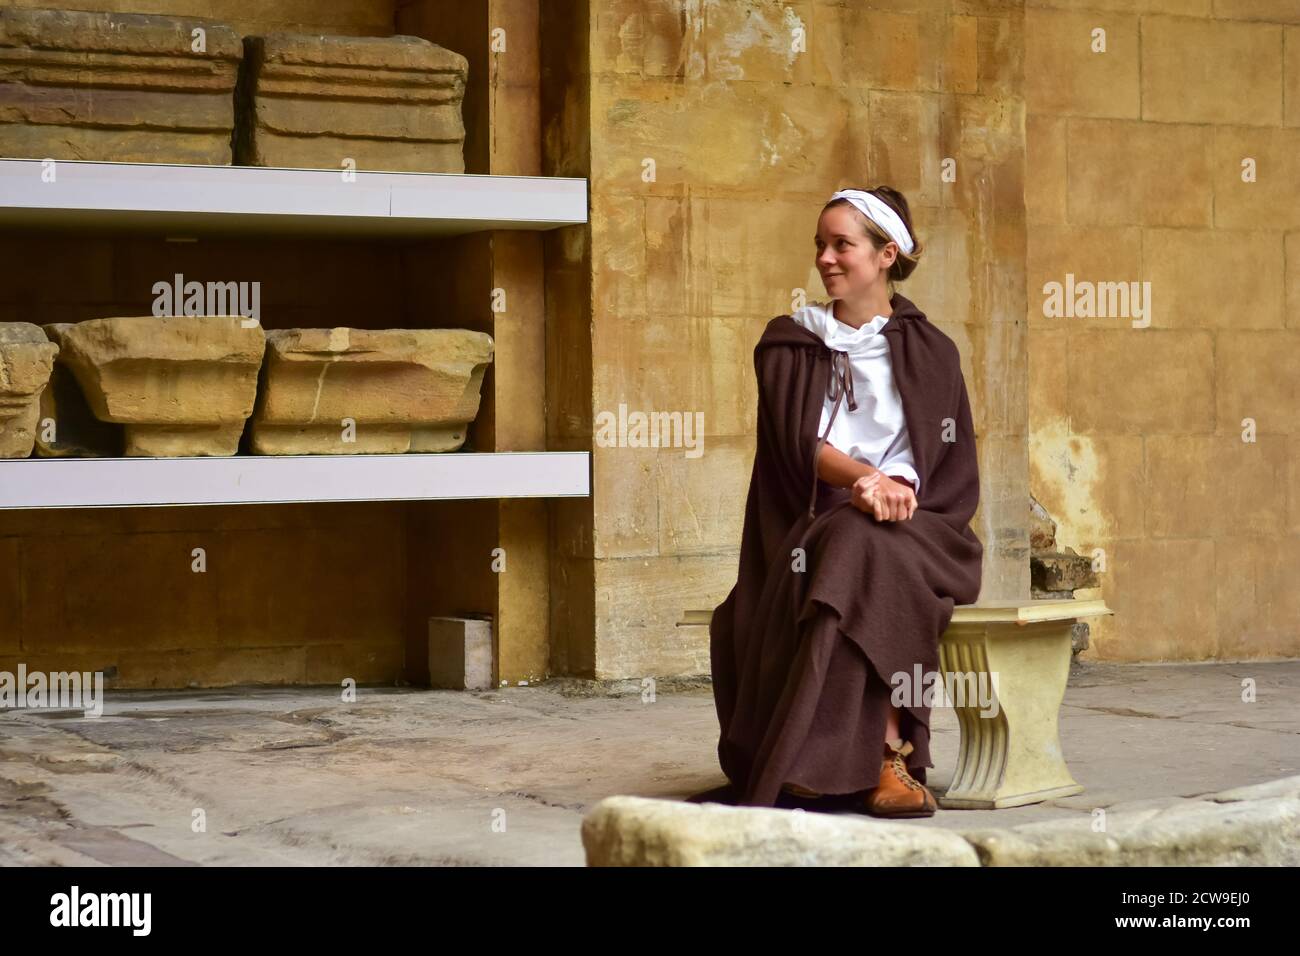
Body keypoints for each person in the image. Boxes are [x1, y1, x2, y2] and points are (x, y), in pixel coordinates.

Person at [707, 185, 984, 817]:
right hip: (813, 523)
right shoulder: (788, 343)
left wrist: (894, 489)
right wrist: (863, 480)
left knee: (869, 548)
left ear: (887, 254)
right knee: (853, 547)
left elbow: (945, 456)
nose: (826, 259)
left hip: (923, 523)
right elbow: (795, 445)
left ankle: (818, 760)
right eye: (820, 245)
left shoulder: (933, 352)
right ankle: (889, 759)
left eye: (843, 245)